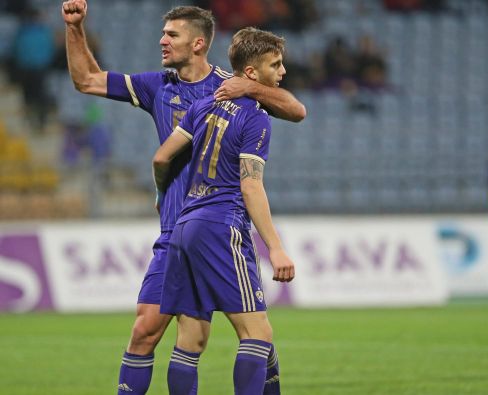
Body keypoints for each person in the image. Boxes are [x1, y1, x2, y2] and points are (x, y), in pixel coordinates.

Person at [61, 2, 306, 395]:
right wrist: (75, 28)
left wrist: (252, 86)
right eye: (163, 33)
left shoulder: (230, 86)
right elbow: (87, 79)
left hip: (218, 223)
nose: (162, 41)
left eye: (171, 35)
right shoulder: (158, 86)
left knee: (247, 333)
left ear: (198, 43)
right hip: (176, 230)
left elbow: (295, 110)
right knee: (150, 330)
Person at [152, 26, 294, 395]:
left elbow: (162, 156)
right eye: (275, 65)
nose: (282, 72)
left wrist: (162, 192)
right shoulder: (257, 118)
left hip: (185, 226)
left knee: (191, 337)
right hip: (221, 225)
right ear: (252, 73)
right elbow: (250, 184)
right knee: (257, 333)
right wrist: (275, 247)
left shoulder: (203, 105)